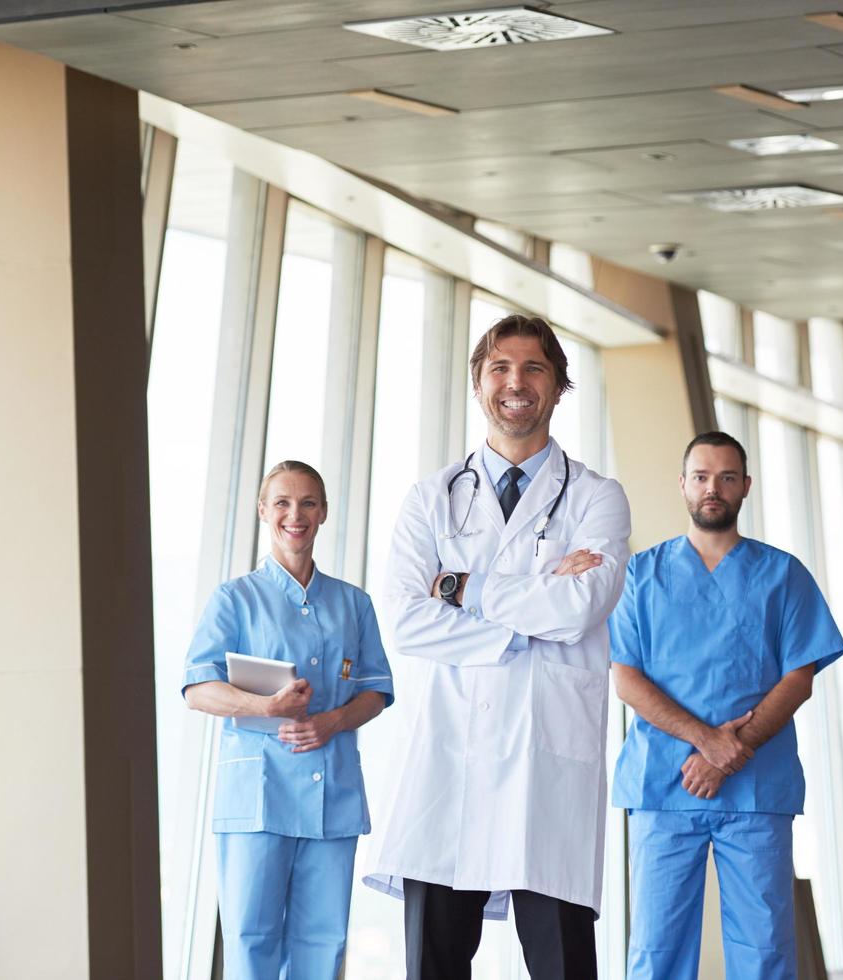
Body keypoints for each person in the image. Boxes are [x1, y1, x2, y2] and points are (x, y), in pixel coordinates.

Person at [364, 314, 631, 980]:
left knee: (561, 963)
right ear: (479, 382)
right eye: (500, 369)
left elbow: (579, 609)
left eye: (534, 368)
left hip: (547, 759)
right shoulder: (430, 499)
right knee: (434, 965)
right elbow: (406, 621)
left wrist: (462, 587)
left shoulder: (597, 498)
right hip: (447, 758)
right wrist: (529, 610)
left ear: (559, 386)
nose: (516, 383)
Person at [610, 431, 843, 980]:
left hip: (756, 787)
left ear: (745, 487)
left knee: (764, 947)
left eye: (726, 477)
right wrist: (708, 741)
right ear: (683, 485)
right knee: (656, 948)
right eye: (701, 476)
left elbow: (800, 676)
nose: (712, 488)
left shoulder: (783, 575)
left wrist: (729, 749)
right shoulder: (641, 575)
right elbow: (626, 677)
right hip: (663, 787)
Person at [182, 460, 394, 980]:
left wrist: (333, 722)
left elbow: (378, 690)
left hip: (333, 798)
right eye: (281, 502)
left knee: (324, 944)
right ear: (262, 511)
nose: (294, 514)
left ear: (323, 513)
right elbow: (196, 689)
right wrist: (266, 707)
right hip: (259, 794)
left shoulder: (354, 603)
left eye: (307, 503)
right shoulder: (235, 599)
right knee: (251, 941)